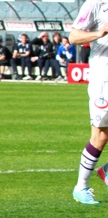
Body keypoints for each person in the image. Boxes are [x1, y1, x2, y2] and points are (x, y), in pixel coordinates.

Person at [70, 0, 108, 204]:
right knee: (100, 135)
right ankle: (81, 186)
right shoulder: (95, 3)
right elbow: (74, 36)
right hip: (104, 79)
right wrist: (100, 32)